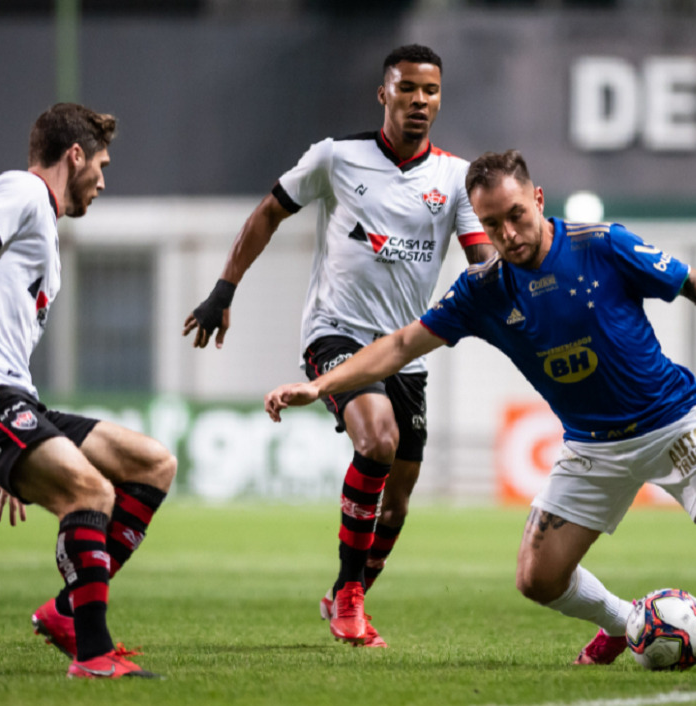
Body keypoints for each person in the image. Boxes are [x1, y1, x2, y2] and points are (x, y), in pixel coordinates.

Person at [265, 149, 696, 663]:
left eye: (517, 215)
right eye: (492, 224)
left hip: (674, 425)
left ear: (538, 199)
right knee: (537, 580)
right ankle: (627, 623)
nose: (509, 233)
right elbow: (398, 345)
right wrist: (321, 386)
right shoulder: (482, 291)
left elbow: (693, 279)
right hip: (592, 448)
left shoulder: (603, 246)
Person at [184, 44, 493, 648]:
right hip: (336, 331)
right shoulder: (336, 158)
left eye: (430, 91)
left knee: (397, 507)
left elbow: (481, 257)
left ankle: (344, 593)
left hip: (407, 349)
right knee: (377, 438)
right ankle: (351, 599)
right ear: (384, 94)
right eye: (407, 89)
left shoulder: (456, 178)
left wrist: (502, 282)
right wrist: (224, 289)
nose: (419, 101)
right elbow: (268, 214)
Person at [0, 103, 177, 679]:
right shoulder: (26, 191)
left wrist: (22, 451)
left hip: (9, 399)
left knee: (151, 463)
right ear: (75, 156)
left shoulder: (45, 230)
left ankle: (66, 613)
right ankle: (93, 652)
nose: (104, 181)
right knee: (90, 492)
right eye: (101, 165)